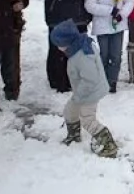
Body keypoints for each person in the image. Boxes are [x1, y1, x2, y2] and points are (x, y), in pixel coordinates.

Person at [49, 19, 118, 158]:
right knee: (70, 111)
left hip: (90, 92)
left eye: (59, 44)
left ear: (67, 42)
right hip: (82, 91)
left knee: (87, 119)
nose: (57, 48)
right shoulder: (77, 47)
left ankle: (108, 144)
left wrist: (79, 95)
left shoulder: (82, 55)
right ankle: (74, 136)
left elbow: (90, 80)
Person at [84, 0, 134, 93]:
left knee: (116, 55)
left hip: (117, 25)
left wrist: (122, 14)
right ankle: (103, 80)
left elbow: (130, 1)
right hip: (102, 26)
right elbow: (90, 5)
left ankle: (112, 81)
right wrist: (109, 10)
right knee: (104, 55)